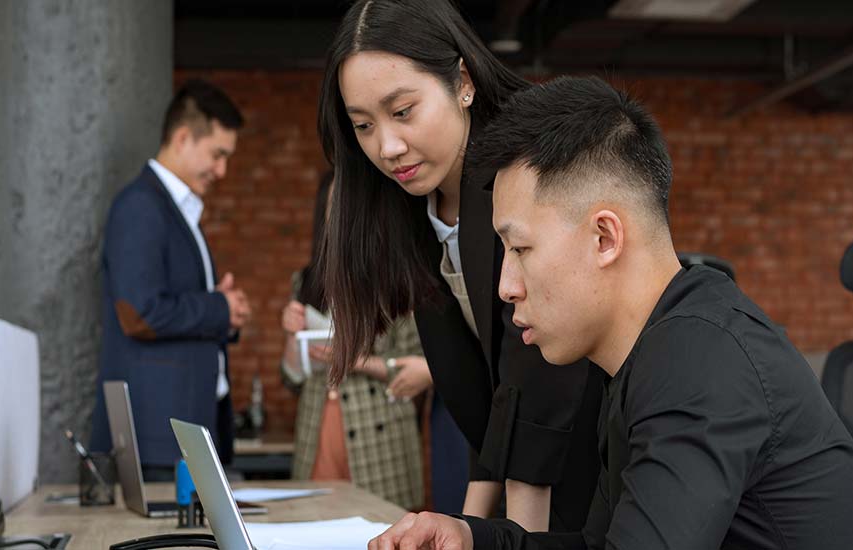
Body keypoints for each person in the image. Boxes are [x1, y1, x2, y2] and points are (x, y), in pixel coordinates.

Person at [369, 76, 853, 549]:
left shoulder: (697, 366)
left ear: (605, 237)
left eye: (520, 250)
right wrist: (471, 539)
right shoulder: (651, 355)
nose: (506, 287)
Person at [317, 0, 602, 532]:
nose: (387, 146)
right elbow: (492, 398)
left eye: (403, 111)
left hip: (604, 465)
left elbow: (539, 380)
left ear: (463, 83)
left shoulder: (532, 173)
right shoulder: (414, 211)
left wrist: (506, 536)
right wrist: (469, 528)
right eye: (363, 125)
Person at [89, 79, 252, 481]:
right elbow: (138, 313)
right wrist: (218, 308)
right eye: (217, 154)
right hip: (158, 439)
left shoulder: (174, 210)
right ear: (182, 138)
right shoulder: (140, 207)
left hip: (184, 433)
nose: (222, 170)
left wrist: (222, 310)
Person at [279, 171, 428, 510]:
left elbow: (420, 369)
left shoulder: (399, 279)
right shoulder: (305, 280)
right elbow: (291, 378)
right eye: (335, 204)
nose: (343, 213)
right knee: (313, 526)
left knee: (383, 530)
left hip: (380, 439)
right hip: (316, 429)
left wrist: (354, 359)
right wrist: (291, 336)